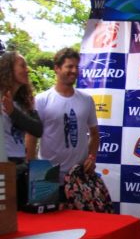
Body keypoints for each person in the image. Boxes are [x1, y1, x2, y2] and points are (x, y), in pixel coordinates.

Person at [25, 48, 98, 186]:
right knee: (52, 209)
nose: (74, 71)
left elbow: (94, 134)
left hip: (79, 176)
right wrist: (33, 169)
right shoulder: (41, 100)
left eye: (77, 67)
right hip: (48, 177)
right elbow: (31, 136)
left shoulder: (87, 100)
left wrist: (91, 157)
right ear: (57, 68)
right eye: (69, 66)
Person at [0, 51, 43, 205]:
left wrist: (13, 112)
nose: (27, 70)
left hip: (20, 166)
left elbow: (37, 129)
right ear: (9, 68)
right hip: (3, 166)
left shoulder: (26, 100)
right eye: (22, 65)